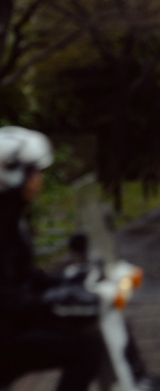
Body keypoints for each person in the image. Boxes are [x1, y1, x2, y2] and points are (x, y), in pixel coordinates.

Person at [0, 126, 103, 391]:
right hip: (6, 333)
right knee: (85, 351)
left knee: (84, 335)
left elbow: (19, 274)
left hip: (12, 325)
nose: (40, 179)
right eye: (34, 172)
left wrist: (64, 279)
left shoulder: (12, 217)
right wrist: (47, 301)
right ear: (10, 172)